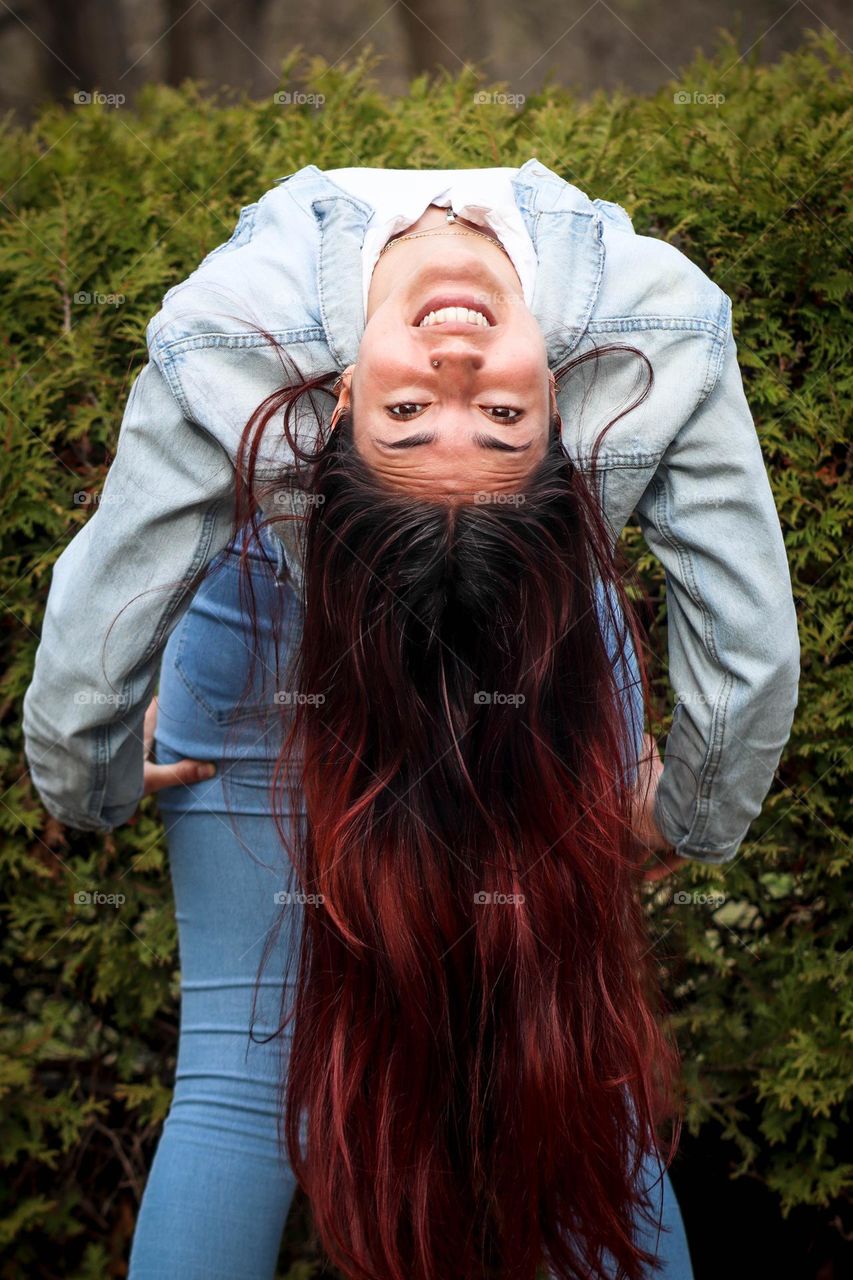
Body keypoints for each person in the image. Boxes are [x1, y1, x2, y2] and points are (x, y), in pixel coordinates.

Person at [21, 158, 800, 1280]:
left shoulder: (227, 328)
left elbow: (103, 619)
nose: (454, 367)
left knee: (248, 1089)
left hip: (486, 646)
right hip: (519, 661)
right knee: (579, 1067)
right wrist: (689, 813)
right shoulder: (658, 318)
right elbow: (749, 645)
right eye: (418, 416)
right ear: (335, 405)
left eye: (495, 420)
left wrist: (90, 780)